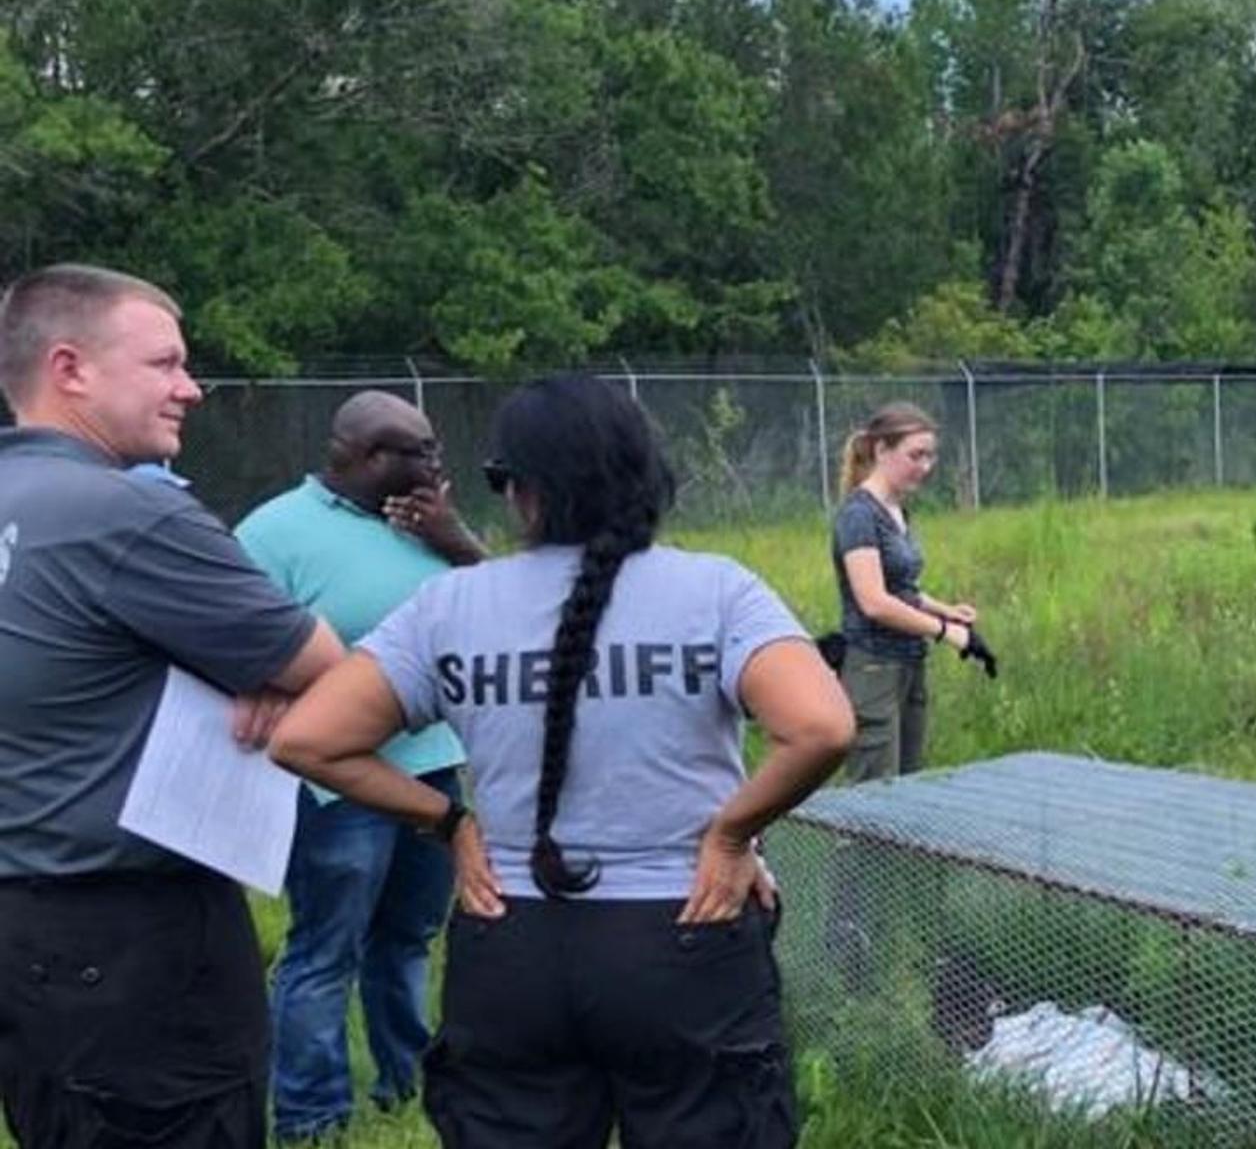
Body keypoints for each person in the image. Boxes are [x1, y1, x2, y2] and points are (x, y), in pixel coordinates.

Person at [269, 374, 853, 1147]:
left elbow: (305, 739)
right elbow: (820, 728)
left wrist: (448, 821)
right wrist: (729, 835)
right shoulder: (717, 591)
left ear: (521, 493)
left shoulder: (451, 606)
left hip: (509, 936)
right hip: (686, 928)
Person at [0, 263, 343, 1148]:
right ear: (69, 368)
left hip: (24, 936)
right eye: (164, 364)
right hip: (136, 940)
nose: (189, 387)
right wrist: (255, 670)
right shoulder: (125, 516)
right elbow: (330, 668)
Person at [237, 390, 487, 1142]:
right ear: (367, 456)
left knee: (409, 937)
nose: (437, 465)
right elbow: (237, 645)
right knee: (325, 946)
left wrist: (457, 537)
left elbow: (512, 606)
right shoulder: (272, 534)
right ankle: (313, 1115)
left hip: (434, 767)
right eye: (421, 451)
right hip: (333, 782)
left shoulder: (429, 524)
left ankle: (405, 1081)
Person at [830, 403, 985, 782]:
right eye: (915, 455)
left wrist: (947, 611)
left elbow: (903, 590)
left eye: (930, 456)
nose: (925, 466)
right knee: (875, 792)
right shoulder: (859, 515)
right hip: (873, 667)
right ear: (882, 450)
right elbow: (874, 602)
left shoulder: (898, 510)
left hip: (910, 662)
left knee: (909, 786)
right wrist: (945, 632)